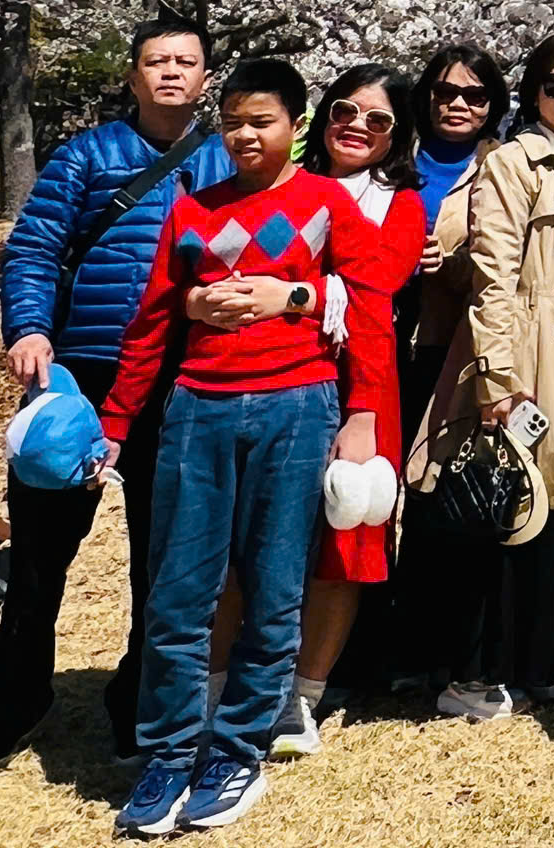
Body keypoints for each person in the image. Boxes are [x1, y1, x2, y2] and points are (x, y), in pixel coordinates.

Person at [98, 59, 385, 835]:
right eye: (232, 123)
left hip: (299, 406)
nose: (246, 136)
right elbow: (153, 322)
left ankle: (237, 752)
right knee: (178, 593)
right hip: (198, 407)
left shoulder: (326, 202)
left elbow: (367, 308)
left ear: (295, 125)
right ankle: (168, 754)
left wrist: (362, 409)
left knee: (274, 587)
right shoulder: (191, 210)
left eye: (262, 121)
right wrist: (117, 421)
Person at [0, 13, 234, 774]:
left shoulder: (227, 160)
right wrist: (29, 329)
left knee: (164, 561)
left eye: (186, 61)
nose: (171, 73)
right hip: (81, 380)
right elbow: (34, 248)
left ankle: (138, 710)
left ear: (206, 77)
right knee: (41, 554)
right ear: (132, 76)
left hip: (180, 380)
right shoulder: (87, 155)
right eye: (156, 61)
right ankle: (15, 706)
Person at [410, 30, 554, 717]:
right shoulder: (512, 162)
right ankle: (475, 675)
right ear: (533, 92)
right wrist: (500, 379)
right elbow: (493, 278)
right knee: (506, 509)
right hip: (531, 358)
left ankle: (537, 662)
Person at [214, 64, 426, 757]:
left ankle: (302, 697)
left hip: (362, 380)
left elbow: (375, 285)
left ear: (396, 135)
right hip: (264, 374)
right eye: (344, 110)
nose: (357, 126)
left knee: (343, 541)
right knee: (250, 540)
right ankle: (226, 689)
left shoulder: (400, 204)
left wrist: (293, 292)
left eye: (378, 119)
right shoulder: (274, 184)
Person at [387, 43, 510, 700]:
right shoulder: (393, 158)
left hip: (452, 350)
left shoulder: (500, 167)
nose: (458, 104)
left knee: (441, 502)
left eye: (474, 95)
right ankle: (368, 644)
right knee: (369, 500)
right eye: (444, 92)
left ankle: (435, 651)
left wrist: (453, 265)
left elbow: (507, 268)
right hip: (380, 343)